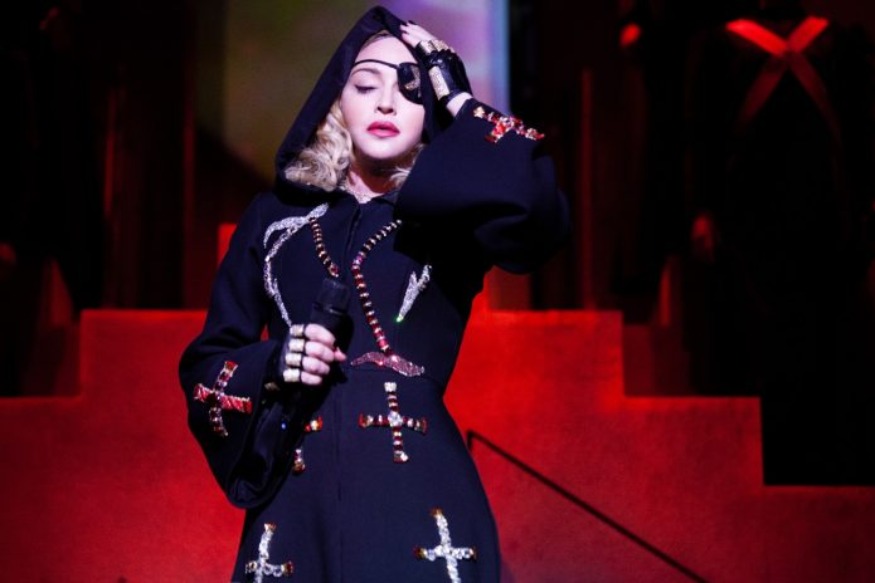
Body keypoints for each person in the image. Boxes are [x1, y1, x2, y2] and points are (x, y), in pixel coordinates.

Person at [179, 6, 569, 581]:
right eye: (366, 85)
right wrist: (276, 362)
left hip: (419, 503)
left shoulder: (449, 220)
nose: (386, 103)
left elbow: (540, 211)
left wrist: (460, 100)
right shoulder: (275, 219)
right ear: (339, 99)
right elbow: (208, 364)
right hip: (295, 508)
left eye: (412, 90)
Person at [685, 0, 875, 482]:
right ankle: (776, 459)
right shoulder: (724, 46)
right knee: (766, 343)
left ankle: (826, 459)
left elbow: (860, 129)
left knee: (826, 343)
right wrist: (704, 209)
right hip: (755, 222)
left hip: (822, 218)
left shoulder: (837, 43)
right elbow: (703, 134)